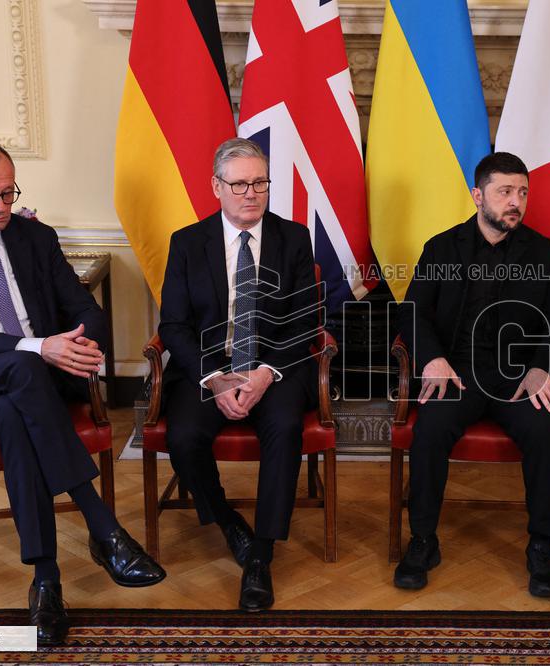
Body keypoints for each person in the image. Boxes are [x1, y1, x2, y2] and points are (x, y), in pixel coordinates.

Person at [0, 142, 165, 646]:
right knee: (21, 369)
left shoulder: (36, 237)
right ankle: (103, 527)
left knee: (15, 409)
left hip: (27, 388)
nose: (1, 206)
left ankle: (47, 581)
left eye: (9, 193)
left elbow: (86, 311)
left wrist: (80, 342)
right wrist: (39, 346)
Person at [394, 152, 550, 597]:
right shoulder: (442, 247)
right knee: (430, 430)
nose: (516, 201)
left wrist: (541, 367)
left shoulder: (544, 251)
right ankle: (423, 540)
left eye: (523, 193)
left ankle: (541, 544)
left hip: (518, 375)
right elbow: (412, 311)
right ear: (478, 196)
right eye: (505, 191)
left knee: (545, 433)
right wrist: (431, 360)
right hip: (456, 372)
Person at [159, 137, 319, 612]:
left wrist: (266, 373)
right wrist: (213, 378)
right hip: (210, 368)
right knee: (184, 436)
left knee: (285, 427)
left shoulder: (294, 238)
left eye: (260, 183)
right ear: (217, 187)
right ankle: (229, 522)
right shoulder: (188, 243)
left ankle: (261, 555)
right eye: (240, 184)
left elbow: (305, 320)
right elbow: (173, 325)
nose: (251, 193)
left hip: (275, 365)